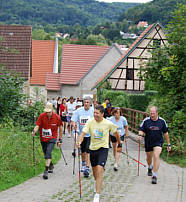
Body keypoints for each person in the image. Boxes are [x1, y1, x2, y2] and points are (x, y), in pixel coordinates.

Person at [77, 105, 122, 202]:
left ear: (102, 114)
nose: (95, 115)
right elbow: (83, 133)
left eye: (97, 113)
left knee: (100, 170)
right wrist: (79, 142)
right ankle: (96, 182)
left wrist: (119, 144)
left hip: (103, 149)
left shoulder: (108, 123)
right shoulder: (90, 121)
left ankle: (97, 194)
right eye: (94, 113)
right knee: (94, 172)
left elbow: (116, 133)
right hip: (93, 149)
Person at [138, 106, 171, 184]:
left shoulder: (162, 121)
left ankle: (154, 175)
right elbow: (141, 130)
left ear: (157, 113)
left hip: (158, 142)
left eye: (153, 113)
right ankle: (150, 167)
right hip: (148, 142)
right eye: (150, 113)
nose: (151, 115)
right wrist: (140, 135)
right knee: (149, 157)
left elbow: (166, 133)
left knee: (156, 156)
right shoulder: (146, 121)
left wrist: (168, 144)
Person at [31, 102, 63, 180]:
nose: (48, 113)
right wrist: (34, 131)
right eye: (46, 112)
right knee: (45, 152)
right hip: (43, 138)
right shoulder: (42, 116)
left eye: (49, 112)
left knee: (48, 152)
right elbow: (37, 125)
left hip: (52, 138)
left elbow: (61, 128)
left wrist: (60, 140)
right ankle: (51, 165)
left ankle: (46, 170)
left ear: (52, 110)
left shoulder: (57, 117)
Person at [71, 96, 94, 178]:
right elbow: (73, 120)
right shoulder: (78, 111)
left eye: (88, 102)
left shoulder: (93, 111)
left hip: (90, 134)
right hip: (81, 134)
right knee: (83, 150)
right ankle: (84, 163)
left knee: (88, 150)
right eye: (85, 102)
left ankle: (87, 168)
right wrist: (74, 125)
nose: (86, 104)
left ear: (90, 103)